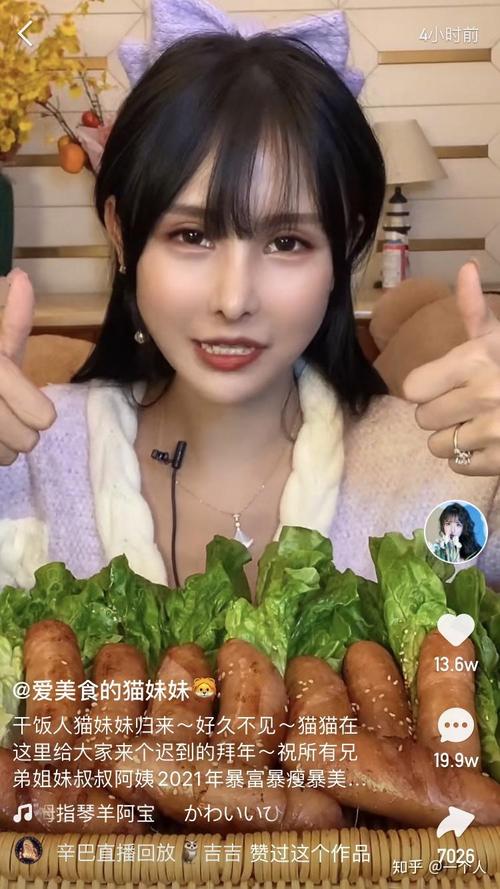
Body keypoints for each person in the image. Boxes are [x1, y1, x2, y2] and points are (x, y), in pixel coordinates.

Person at [1, 10, 500, 596]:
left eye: (287, 243)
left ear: (346, 247)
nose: (234, 300)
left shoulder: (454, 469)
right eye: (192, 236)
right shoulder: (23, 457)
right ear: (121, 234)